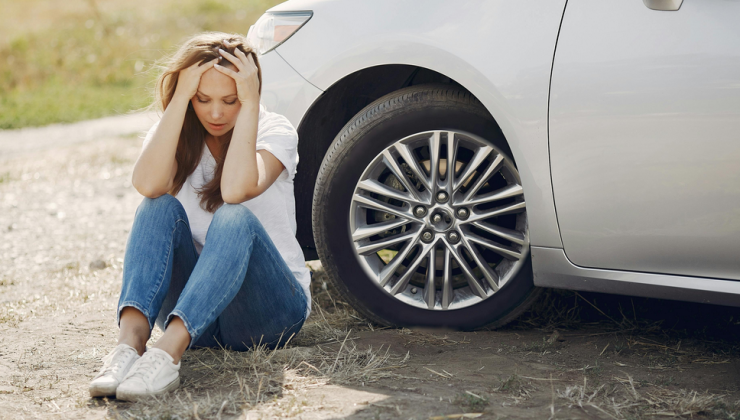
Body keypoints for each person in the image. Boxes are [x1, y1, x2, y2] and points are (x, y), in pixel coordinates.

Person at [87, 32, 311, 401]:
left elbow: (236, 190)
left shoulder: (275, 131)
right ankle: (128, 347)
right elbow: (146, 184)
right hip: (198, 318)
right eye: (203, 99)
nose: (217, 113)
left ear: (249, 92)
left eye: (230, 100)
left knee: (233, 216)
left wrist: (251, 103)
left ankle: (166, 354)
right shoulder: (174, 134)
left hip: (268, 312)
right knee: (157, 205)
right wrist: (178, 99)